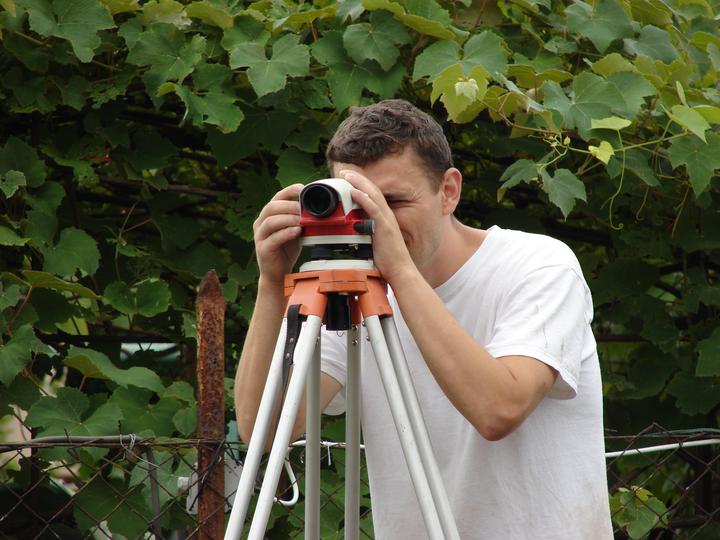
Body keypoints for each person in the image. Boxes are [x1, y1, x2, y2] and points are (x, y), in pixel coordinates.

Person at [234, 99, 613, 539]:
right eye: (360, 204)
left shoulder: (539, 266)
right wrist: (272, 284)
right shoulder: (351, 288)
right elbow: (263, 429)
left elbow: (499, 409)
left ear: (448, 190)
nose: (377, 221)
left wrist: (400, 272)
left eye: (393, 201)